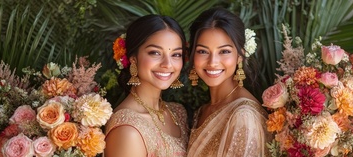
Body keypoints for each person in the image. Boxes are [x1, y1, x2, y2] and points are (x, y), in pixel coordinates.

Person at [186, 8, 270, 157]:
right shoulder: (203, 110)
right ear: (192, 55)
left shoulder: (244, 116)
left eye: (224, 51)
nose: (213, 62)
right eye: (203, 51)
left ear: (240, 55)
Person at [104, 15, 188, 157]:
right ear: (133, 59)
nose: (167, 64)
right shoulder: (127, 129)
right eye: (155, 53)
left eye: (176, 54)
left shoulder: (178, 113)